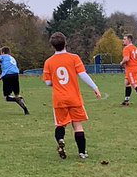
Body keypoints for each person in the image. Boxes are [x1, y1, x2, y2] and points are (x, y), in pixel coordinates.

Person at [43, 31, 102, 159]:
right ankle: (82, 152)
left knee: (60, 124)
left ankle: (60, 140)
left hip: (59, 99)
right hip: (74, 98)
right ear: (66, 43)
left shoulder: (48, 62)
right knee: (78, 125)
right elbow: (82, 75)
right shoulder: (74, 58)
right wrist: (95, 87)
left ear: (52, 46)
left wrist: (56, 82)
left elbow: (48, 82)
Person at [0, 46, 29, 114]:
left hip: (7, 76)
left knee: (7, 97)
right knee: (17, 94)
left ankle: (16, 99)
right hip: (15, 75)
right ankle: (25, 110)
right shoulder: (12, 58)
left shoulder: (2, 56)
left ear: (3, 52)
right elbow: (9, 68)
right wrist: (1, 77)